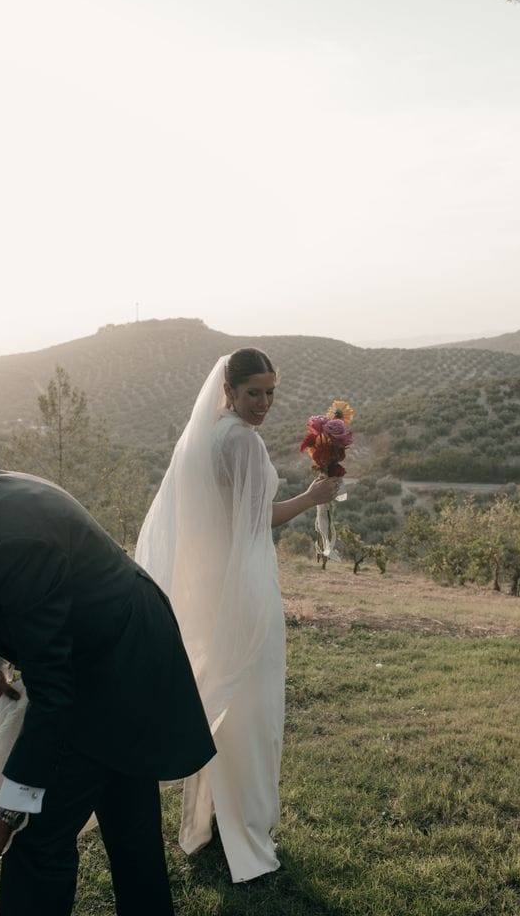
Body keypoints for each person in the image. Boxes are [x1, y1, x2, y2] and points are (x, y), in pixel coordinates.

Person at [0, 438, 216, 916]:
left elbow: (53, 695)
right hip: (126, 650)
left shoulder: (7, 538)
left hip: (114, 671)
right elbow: (49, 591)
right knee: (130, 822)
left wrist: (7, 817)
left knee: (39, 841)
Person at [135, 348, 342, 883]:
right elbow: (258, 521)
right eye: (255, 393)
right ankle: (247, 833)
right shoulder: (243, 442)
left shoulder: (205, 436)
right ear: (229, 390)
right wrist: (314, 495)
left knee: (225, 710)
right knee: (251, 713)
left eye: (271, 392)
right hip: (244, 586)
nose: (265, 403)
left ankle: (213, 824)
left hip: (210, 585)